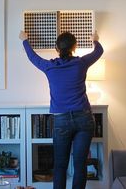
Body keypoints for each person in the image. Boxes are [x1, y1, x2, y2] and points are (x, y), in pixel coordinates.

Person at [19, 30, 104, 189]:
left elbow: (32, 57)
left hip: (62, 121)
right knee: (80, 165)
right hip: (84, 118)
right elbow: (99, 51)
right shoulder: (81, 63)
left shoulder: (49, 66)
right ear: (75, 47)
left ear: (57, 48)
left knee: (60, 166)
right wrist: (95, 40)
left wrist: (25, 40)